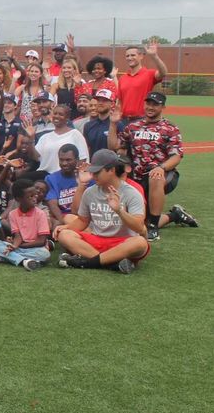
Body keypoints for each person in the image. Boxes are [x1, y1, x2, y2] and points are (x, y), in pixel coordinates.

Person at [112, 91, 197, 241]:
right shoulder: (133, 126)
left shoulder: (170, 128)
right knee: (140, 223)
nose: (150, 107)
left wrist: (161, 168)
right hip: (137, 176)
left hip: (164, 175)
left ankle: (153, 228)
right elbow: (117, 147)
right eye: (148, 103)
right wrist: (113, 124)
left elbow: (176, 156)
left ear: (162, 106)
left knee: (155, 176)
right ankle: (174, 215)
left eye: (155, 104)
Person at [54, 149, 149, 274]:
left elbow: (138, 226)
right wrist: (66, 228)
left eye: (97, 172)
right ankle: (112, 263)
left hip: (122, 242)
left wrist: (119, 211)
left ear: (111, 170)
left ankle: (87, 263)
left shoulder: (131, 193)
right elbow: (83, 221)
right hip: (98, 239)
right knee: (65, 235)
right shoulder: (90, 192)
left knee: (140, 243)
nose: (93, 176)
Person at [0, 179, 51, 271]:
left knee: (45, 255)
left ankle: (5, 258)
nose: (35, 198)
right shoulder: (13, 214)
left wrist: (17, 247)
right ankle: (24, 261)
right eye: (30, 196)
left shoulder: (41, 214)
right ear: (18, 199)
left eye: (35, 195)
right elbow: (18, 236)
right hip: (19, 246)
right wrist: (14, 245)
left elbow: (41, 241)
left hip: (35, 248)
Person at [118, 41, 167, 119]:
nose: (129, 58)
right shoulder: (122, 78)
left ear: (141, 56)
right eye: (127, 56)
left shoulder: (149, 74)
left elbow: (163, 73)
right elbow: (120, 101)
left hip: (142, 120)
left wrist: (154, 56)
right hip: (124, 120)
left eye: (133, 55)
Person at [33, 105, 88, 173]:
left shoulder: (75, 134)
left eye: (61, 114)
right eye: (55, 113)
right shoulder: (45, 137)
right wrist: (30, 139)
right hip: (44, 174)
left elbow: (83, 158)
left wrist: (74, 174)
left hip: (66, 174)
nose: (57, 116)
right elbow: (36, 157)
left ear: (67, 118)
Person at [45, 144, 81, 226]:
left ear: (77, 160)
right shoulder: (51, 179)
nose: (64, 163)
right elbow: (52, 204)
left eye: (68, 160)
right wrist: (63, 223)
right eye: (61, 160)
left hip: (83, 217)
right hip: (63, 216)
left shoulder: (86, 177)